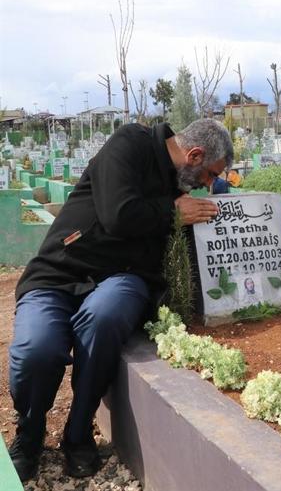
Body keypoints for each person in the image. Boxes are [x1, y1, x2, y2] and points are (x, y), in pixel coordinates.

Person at [8, 119, 233, 481]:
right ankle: (30, 434)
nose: (209, 186)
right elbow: (118, 214)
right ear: (194, 155)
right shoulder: (132, 144)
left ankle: (78, 433)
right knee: (38, 349)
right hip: (58, 273)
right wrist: (172, 213)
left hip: (123, 277)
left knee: (105, 317)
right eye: (210, 175)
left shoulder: (179, 185)